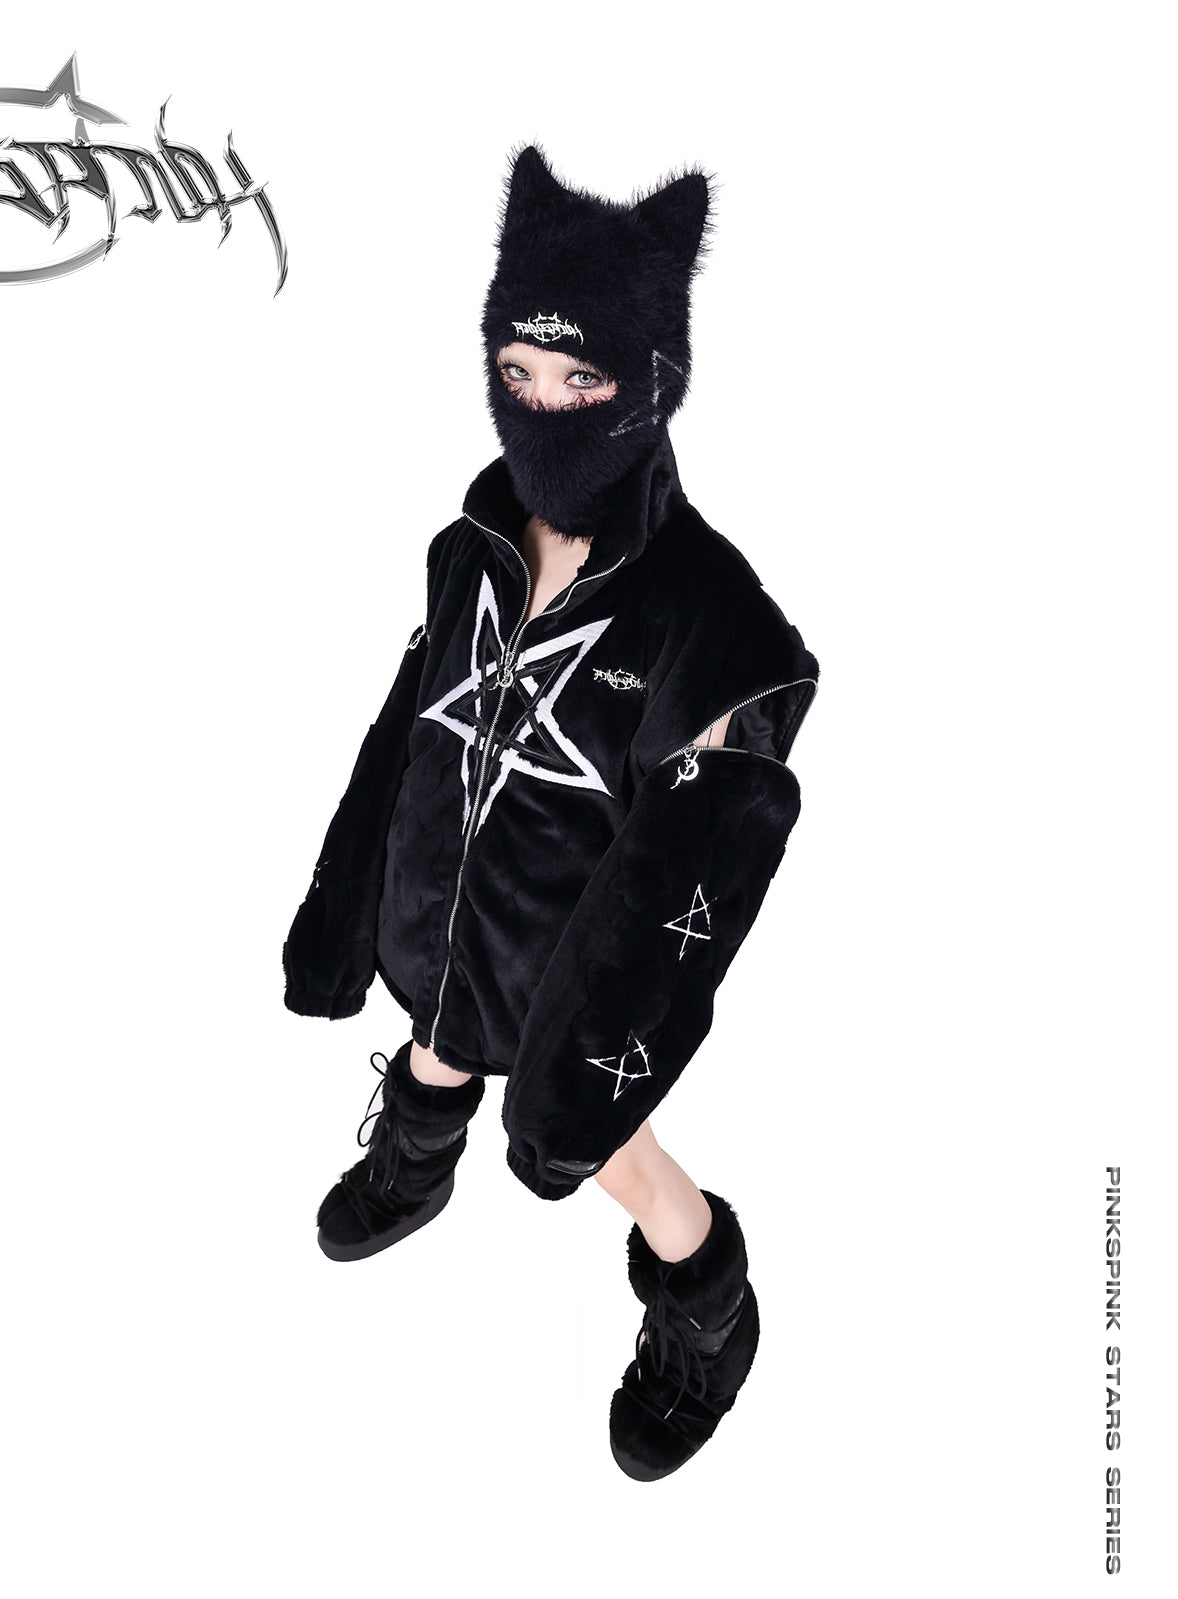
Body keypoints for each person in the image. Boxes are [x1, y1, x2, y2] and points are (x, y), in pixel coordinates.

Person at [283, 144, 820, 1481]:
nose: (545, 405)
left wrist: (587, 1057)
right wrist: (343, 913)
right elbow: (403, 736)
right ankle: (420, 1150)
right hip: (443, 921)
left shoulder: (708, 614)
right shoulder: (471, 545)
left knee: (606, 1154)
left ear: (653, 379)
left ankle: (711, 1303)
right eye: (518, 372)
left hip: (568, 975)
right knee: (437, 1020)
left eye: (583, 379)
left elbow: (697, 871)